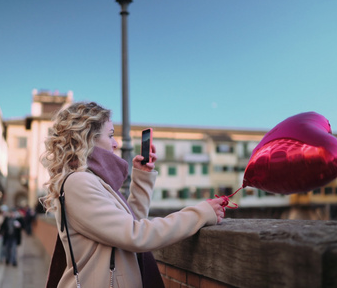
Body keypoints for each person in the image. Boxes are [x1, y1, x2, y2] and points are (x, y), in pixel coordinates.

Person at [40, 101, 226, 288]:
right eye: (110, 135)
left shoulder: (89, 179)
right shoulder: (79, 182)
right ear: (88, 138)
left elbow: (127, 225)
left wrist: (142, 178)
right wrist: (201, 213)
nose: (116, 143)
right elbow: (135, 235)